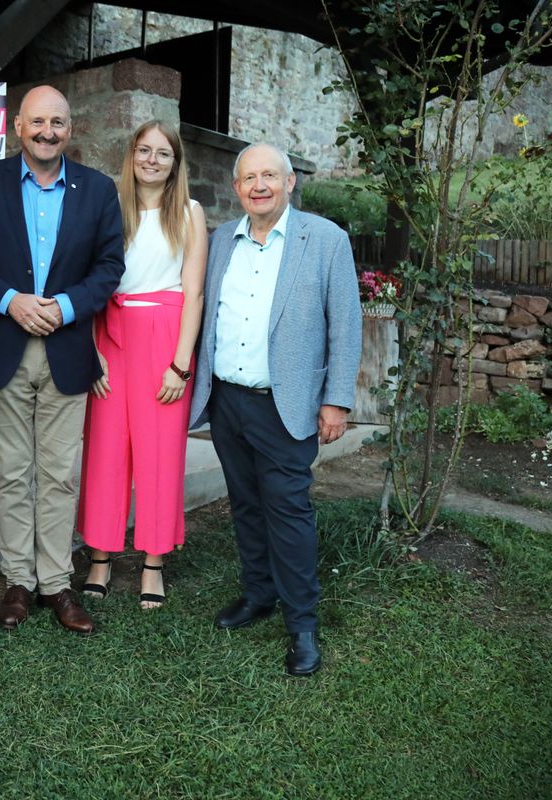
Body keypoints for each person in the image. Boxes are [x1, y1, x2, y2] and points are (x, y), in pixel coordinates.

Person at [187, 142, 362, 676]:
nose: (258, 185)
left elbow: (346, 324)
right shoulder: (222, 240)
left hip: (286, 405)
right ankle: (258, 593)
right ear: (237, 188)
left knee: (288, 511)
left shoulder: (325, 239)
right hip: (228, 400)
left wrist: (336, 400)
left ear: (290, 183)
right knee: (245, 503)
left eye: (269, 176)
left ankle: (302, 624)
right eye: (248, 178)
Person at [0, 85, 125, 635]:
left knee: (58, 474)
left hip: (67, 348)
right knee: (12, 473)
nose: (47, 131)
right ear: (17, 127)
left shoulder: (98, 191)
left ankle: (56, 583)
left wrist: (69, 306)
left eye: (57, 122)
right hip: (4, 345)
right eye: (37, 122)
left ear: (69, 129)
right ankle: (17, 582)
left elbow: (109, 266)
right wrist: (12, 300)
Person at [76, 120, 207, 610]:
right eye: (144, 150)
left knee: (159, 452)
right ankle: (101, 557)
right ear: (131, 155)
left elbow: (193, 292)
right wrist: (92, 352)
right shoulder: (109, 208)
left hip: (165, 336)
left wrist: (181, 364)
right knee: (107, 449)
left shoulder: (189, 213)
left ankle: (153, 561)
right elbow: (91, 281)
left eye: (163, 153)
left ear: (176, 163)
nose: (152, 159)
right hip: (110, 333)